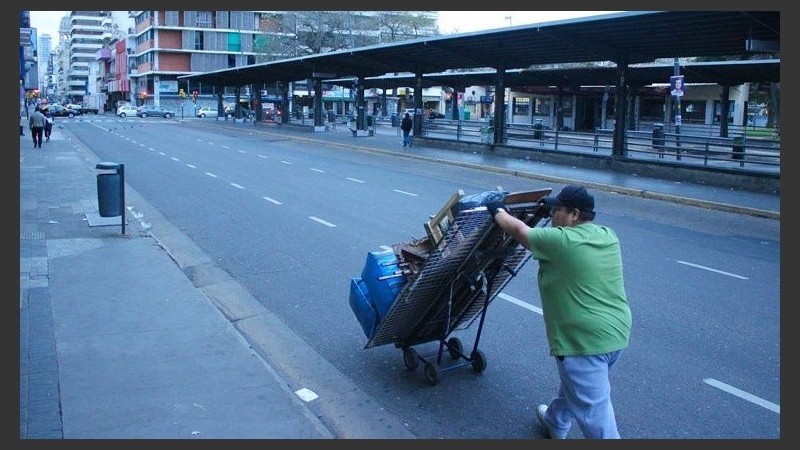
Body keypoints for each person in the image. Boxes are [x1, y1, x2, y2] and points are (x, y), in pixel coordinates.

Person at [486, 185, 632, 439]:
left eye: (558, 210)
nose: (553, 214)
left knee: (596, 417)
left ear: (574, 214)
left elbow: (518, 230)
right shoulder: (607, 235)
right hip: (617, 333)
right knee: (578, 386)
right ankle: (555, 421)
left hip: (583, 341)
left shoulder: (561, 241)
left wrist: (496, 209)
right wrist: (548, 209)